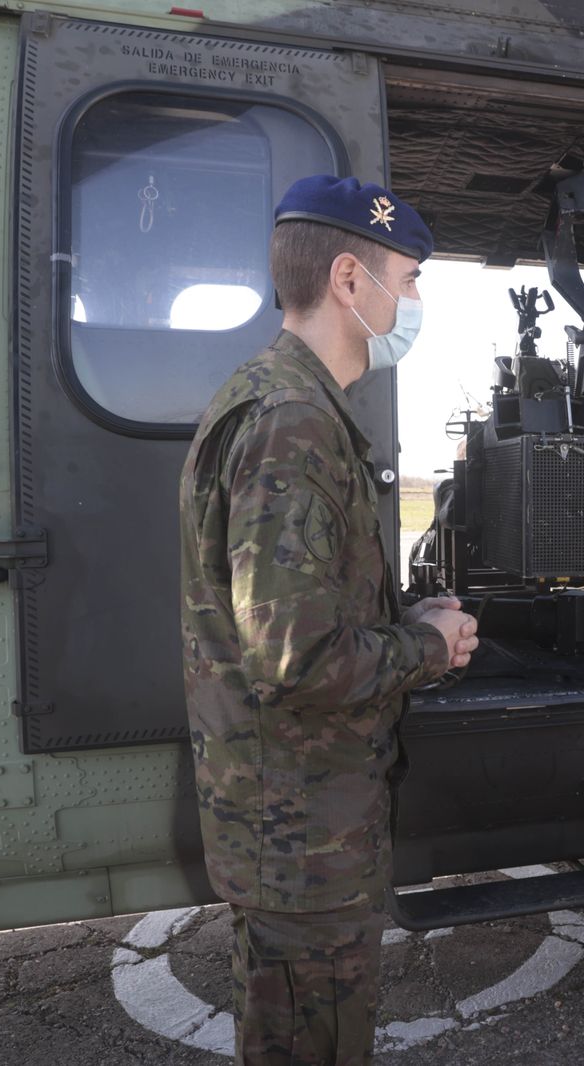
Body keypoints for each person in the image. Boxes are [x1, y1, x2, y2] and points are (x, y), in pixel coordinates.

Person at [179, 175, 479, 1066]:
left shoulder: (275, 397)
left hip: (293, 823)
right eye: (411, 278)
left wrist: (399, 613)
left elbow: (292, 616)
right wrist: (429, 645)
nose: (415, 300)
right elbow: (296, 661)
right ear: (351, 281)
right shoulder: (294, 423)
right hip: (302, 833)